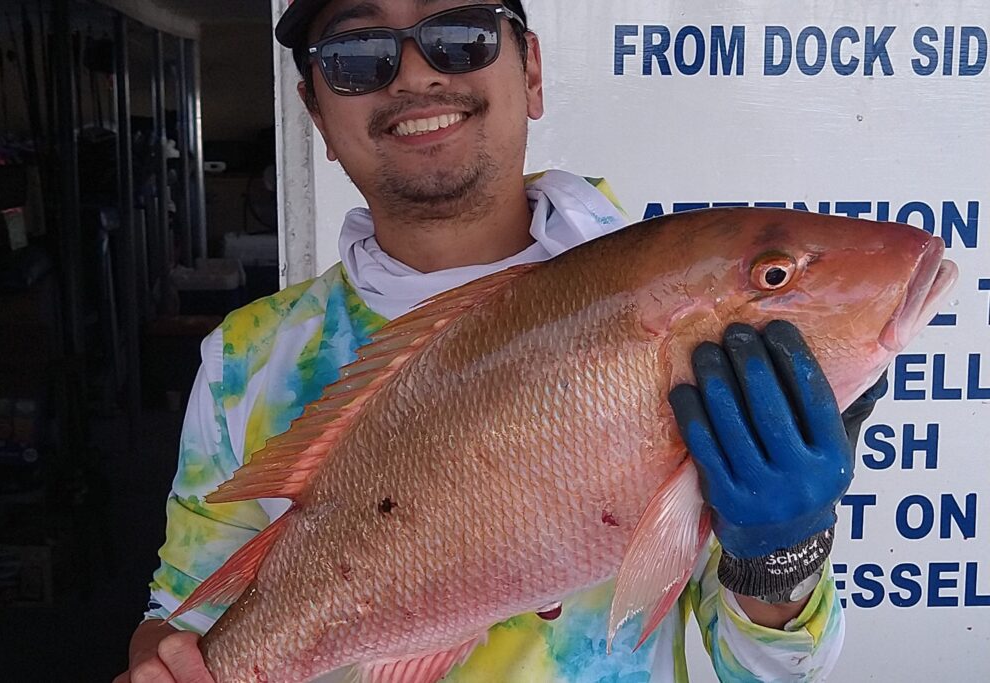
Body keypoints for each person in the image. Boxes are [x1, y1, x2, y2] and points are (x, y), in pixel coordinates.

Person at [117, 2, 887, 681]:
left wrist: (781, 554)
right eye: (357, 55)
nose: (415, 73)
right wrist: (165, 660)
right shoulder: (245, 360)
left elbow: (765, 672)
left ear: (534, 71)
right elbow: (182, 617)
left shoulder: (674, 298)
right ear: (315, 114)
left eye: (461, 33)